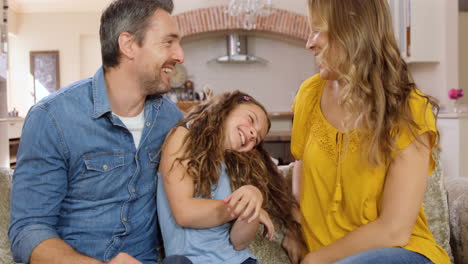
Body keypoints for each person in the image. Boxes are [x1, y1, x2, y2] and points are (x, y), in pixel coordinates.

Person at [8, 0, 192, 263]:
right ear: (128, 45)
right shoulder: (52, 118)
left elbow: (209, 175)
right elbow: (28, 231)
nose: (180, 55)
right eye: (168, 42)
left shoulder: (171, 120)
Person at [283, 0, 452, 263]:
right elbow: (300, 168)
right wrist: (294, 229)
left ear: (352, 31)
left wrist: (315, 260)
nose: (309, 43)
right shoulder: (309, 95)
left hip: (401, 254)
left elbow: (394, 230)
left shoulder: (409, 108)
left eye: (318, 30)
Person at [157, 91, 303, 263]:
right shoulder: (182, 137)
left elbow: (239, 242)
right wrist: (238, 208)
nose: (252, 134)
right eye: (251, 119)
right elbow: (184, 213)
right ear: (229, 107)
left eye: (255, 139)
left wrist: (251, 206)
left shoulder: (232, 167)